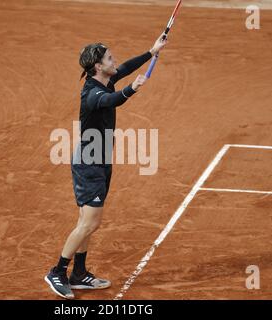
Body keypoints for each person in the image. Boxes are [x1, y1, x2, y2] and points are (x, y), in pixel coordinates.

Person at [44, 34, 168, 299]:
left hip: (100, 161)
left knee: (87, 222)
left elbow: (123, 70)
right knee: (89, 223)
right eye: (109, 58)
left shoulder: (104, 78)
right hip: (89, 165)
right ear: (98, 66)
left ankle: (78, 274)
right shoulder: (92, 94)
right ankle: (57, 271)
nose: (115, 61)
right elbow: (111, 101)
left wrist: (151, 51)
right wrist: (131, 89)